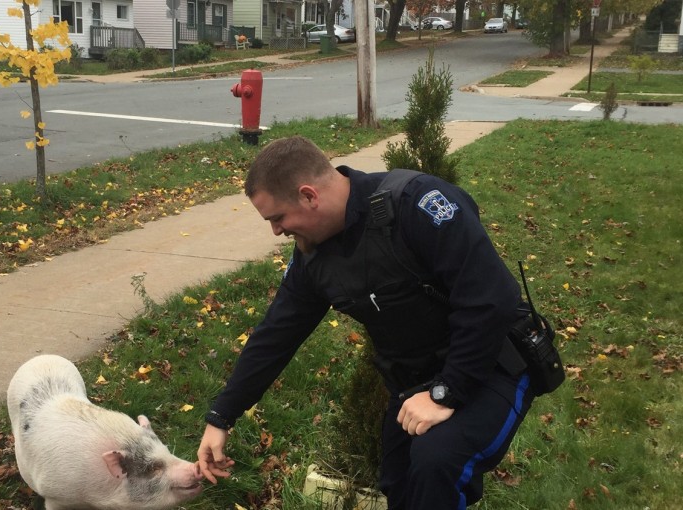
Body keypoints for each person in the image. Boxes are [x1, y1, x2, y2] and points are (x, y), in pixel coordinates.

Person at [197, 136, 534, 509]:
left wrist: (447, 391)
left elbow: (491, 300)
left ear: (310, 196)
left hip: (492, 363)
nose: (276, 231)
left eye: (278, 218)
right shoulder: (313, 256)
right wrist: (221, 417)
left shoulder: (415, 203)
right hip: (414, 380)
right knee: (399, 480)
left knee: (437, 464)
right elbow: (276, 334)